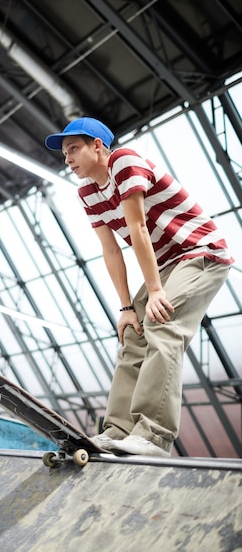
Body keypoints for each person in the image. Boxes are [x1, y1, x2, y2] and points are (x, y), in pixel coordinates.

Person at [45, 117, 234, 457]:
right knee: (133, 335)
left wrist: (156, 292)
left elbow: (138, 229)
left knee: (162, 324)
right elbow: (111, 250)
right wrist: (126, 308)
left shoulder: (124, 161)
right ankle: (118, 430)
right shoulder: (87, 192)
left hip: (201, 252)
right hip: (166, 264)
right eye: (64, 154)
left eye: (73, 149)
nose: (67, 159)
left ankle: (154, 435)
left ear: (98, 146)